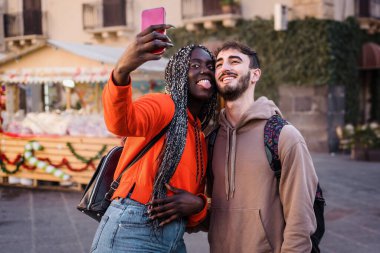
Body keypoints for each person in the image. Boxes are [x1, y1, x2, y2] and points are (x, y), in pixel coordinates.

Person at [90, 24, 217, 253]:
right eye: (195, 65)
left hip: (173, 237)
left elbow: (192, 215)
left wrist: (197, 203)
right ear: (179, 73)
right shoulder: (163, 105)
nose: (205, 70)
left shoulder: (198, 133)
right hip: (134, 227)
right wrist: (121, 71)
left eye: (210, 66)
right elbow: (120, 123)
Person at [207, 41, 319, 252]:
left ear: (255, 74)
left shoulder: (283, 136)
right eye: (219, 64)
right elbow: (211, 214)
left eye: (235, 61)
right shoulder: (211, 140)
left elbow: (300, 219)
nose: (224, 68)